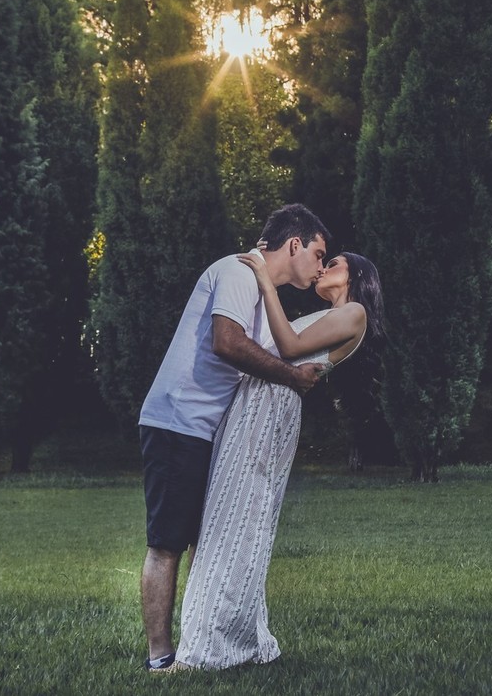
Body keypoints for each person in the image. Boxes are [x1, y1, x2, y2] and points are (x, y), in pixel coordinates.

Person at [139, 204, 332, 673]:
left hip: (209, 430)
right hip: (179, 421)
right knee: (167, 542)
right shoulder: (237, 271)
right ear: (294, 244)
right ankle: (160, 659)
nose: (321, 266)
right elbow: (226, 342)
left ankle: (199, 647)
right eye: (318, 253)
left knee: (203, 542)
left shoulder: (263, 295)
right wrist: (292, 377)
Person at [175, 248, 385, 670]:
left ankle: (209, 648)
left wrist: (265, 281)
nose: (324, 267)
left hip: (270, 408)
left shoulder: (355, 313)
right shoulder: (329, 316)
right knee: (232, 514)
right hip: (258, 402)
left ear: (357, 277)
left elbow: (288, 346)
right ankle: (241, 638)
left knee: (241, 514)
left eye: (334, 262)